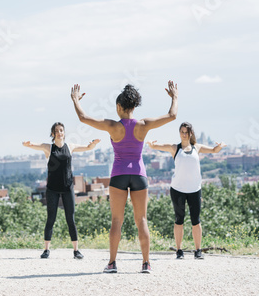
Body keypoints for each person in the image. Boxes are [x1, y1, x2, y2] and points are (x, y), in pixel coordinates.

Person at [71, 81, 178, 274]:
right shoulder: (144, 125)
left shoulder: (112, 126)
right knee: (142, 220)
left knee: (116, 221)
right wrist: (175, 97)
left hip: (119, 174)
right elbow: (172, 115)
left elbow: (83, 117)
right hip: (139, 174)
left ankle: (112, 264)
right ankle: (146, 263)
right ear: (134, 106)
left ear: (119, 107)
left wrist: (75, 100)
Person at [147, 122, 226, 260]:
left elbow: (214, 151)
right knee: (179, 220)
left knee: (196, 220)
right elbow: (159, 147)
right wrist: (152, 145)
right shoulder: (174, 148)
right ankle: (179, 250)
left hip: (195, 190)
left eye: (186, 132)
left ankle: (198, 250)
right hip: (178, 189)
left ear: (191, 133)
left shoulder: (197, 147)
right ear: (179, 133)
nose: (184, 134)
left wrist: (219, 147)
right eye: (182, 131)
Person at [22, 122, 100, 260]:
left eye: (61, 130)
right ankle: (46, 250)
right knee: (50, 219)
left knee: (71, 219)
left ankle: (76, 251)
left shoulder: (70, 146)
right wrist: (28, 144)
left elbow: (87, 147)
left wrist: (93, 144)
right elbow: (36, 145)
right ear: (53, 134)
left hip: (67, 187)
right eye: (56, 131)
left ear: (64, 132)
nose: (59, 132)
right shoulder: (49, 147)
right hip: (52, 189)